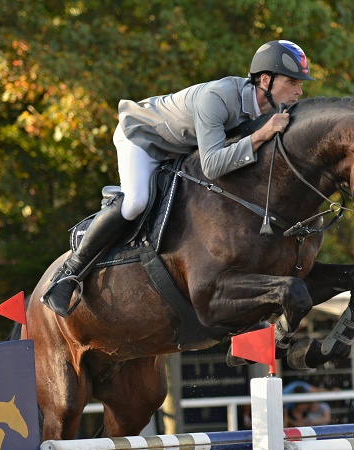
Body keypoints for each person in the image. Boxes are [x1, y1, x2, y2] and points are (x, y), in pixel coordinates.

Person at [41, 40, 314, 316]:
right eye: (292, 82)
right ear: (266, 80)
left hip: (181, 151)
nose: (299, 91)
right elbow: (212, 165)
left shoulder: (268, 110)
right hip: (143, 138)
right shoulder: (217, 97)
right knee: (136, 202)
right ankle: (69, 274)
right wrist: (261, 135)